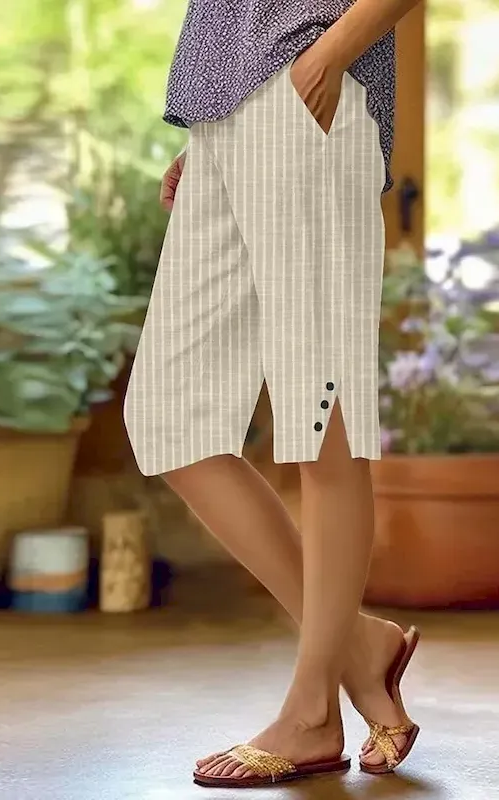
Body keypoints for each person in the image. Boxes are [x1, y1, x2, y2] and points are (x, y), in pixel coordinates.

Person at [124, 0, 422, 788]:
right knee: (169, 416)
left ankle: (314, 710)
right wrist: (218, 121)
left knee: (322, 417)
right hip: (227, 108)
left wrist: (330, 57)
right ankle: (358, 645)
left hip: (309, 90)